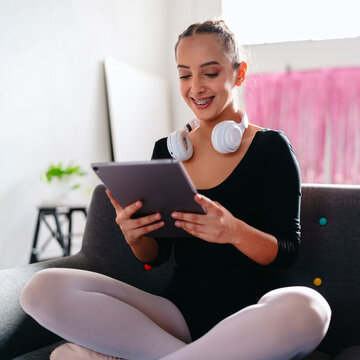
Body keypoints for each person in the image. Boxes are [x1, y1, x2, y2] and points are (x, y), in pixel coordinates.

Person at [20, 19, 331, 360]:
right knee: (40, 289)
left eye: (209, 73)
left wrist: (233, 231)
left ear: (239, 74)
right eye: (185, 75)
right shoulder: (167, 152)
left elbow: (286, 251)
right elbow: (157, 255)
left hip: (250, 317)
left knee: (310, 308)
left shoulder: (270, 148)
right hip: (176, 316)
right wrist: (135, 236)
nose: (195, 87)